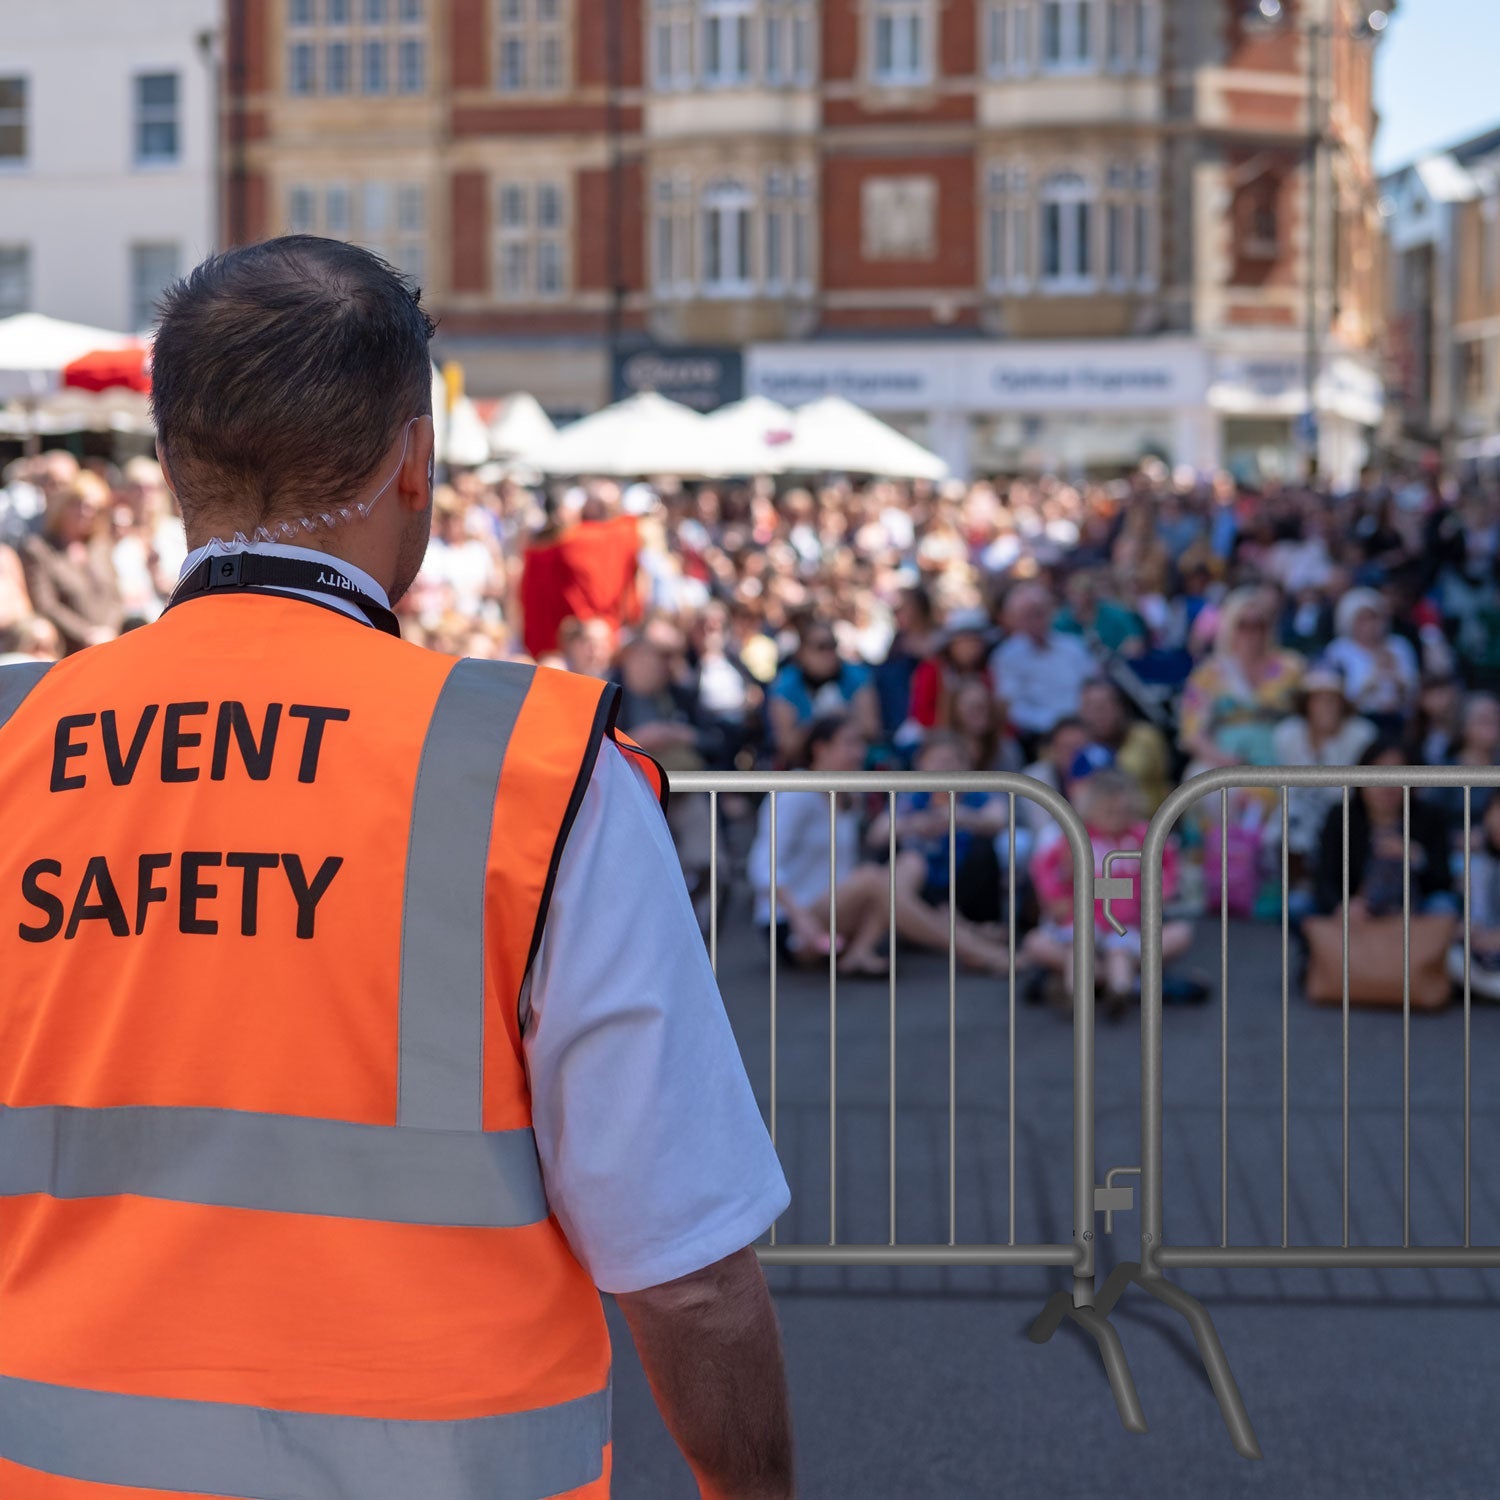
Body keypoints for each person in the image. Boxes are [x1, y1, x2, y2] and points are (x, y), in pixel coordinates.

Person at [0, 237, 792, 1499]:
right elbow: (688, 1270)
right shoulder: (535, 771)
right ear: (415, 466)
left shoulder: (17, 743)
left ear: (171, 471)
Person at [1022, 769, 1191, 1017]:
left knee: (1161, 938)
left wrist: (1102, 890)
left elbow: (1165, 875)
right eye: (1108, 812)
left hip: (1124, 926)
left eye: (1124, 812)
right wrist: (1063, 895)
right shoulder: (1074, 839)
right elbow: (1047, 874)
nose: (1116, 819)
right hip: (1081, 925)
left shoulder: (1143, 837)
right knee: (1052, 946)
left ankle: (1116, 990)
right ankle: (1085, 992)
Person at [1312, 739, 1456, 918]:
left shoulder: (1430, 817)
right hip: (1356, 911)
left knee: (1443, 905)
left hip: (1414, 913)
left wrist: (1416, 856)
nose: (1387, 784)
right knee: (1297, 904)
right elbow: (1324, 877)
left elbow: (1443, 879)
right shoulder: (1341, 816)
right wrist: (1342, 905)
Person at [1179, 586, 1304, 778]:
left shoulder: (1291, 667)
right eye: (1243, 624)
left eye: (1259, 624)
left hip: (1283, 755)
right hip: (1223, 758)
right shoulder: (1208, 673)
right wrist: (1223, 760)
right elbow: (1192, 732)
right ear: (1229, 626)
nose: (1251, 632)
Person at [1271, 667, 1378, 864]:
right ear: (1307, 704)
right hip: (1299, 811)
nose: (1326, 707)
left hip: (1344, 814)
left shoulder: (1362, 734)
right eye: (1318, 700)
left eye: (1332, 700)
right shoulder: (1287, 733)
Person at [18, 470, 126, 653]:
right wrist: (87, 634)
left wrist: (108, 631)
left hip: (109, 642)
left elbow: (116, 597)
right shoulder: (39, 549)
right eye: (80, 504)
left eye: (95, 508)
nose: (87, 513)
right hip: (67, 648)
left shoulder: (101, 547)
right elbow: (46, 605)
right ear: (63, 506)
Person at [988, 582, 1097, 757]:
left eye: (1040, 612)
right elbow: (1012, 707)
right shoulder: (1006, 657)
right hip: (1041, 737)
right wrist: (1056, 724)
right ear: (1015, 619)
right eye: (1028, 614)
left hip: (1086, 727)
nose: (1036, 619)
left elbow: (1092, 685)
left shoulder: (1073, 646)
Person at [766, 618, 881, 767]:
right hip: (805, 769)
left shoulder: (857, 676)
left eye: (832, 645)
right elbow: (787, 744)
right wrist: (824, 724)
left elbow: (871, 728)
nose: (828, 654)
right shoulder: (784, 685)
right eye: (820, 647)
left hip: (859, 766)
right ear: (802, 652)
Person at [1321, 587, 1420, 739]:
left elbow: (1414, 689)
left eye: (1374, 618)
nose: (1370, 625)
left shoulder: (1399, 645)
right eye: (1362, 619)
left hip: (1398, 719)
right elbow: (1337, 695)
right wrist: (1373, 678)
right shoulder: (1338, 650)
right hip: (1357, 720)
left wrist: (1396, 677)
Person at [1077, 676, 1172, 816]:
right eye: (1090, 707)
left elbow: (1164, 781)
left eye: (1104, 705)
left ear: (1120, 706)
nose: (1098, 713)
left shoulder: (1146, 737)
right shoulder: (1077, 747)